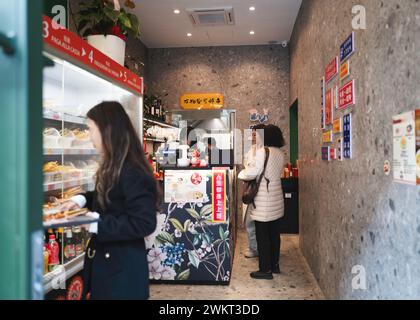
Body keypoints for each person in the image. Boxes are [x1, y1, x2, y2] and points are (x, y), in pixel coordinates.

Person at [61, 101, 158, 299]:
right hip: (110, 268)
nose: (89, 138)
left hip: (122, 274)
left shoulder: (133, 171)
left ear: (107, 131)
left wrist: (97, 223)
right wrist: (80, 199)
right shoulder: (116, 164)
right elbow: (109, 196)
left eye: (91, 130)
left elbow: (144, 222)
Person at [238, 124, 285, 280]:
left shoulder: (262, 152)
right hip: (276, 198)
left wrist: (240, 174)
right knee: (274, 234)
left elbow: (252, 173)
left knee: (262, 235)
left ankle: (265, 270)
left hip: (264, 199)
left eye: (259, 134)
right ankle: (275, 265)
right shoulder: (279, 152)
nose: (256, 137)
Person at [240, 124, 265, 258]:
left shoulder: (265, 150)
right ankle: (254, 247)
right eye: (253, 134)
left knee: (255, 221)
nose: (253, 137)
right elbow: (247, 165)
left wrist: (243, 174)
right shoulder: (252, 149)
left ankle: (258, 249)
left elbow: (252, 171)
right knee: (250, 221)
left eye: (255, 134)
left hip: (259, 190)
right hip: (251, 189)